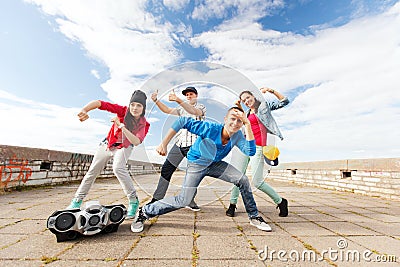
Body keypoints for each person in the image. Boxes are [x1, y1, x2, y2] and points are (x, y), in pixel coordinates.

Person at [131, 107, 272, 233]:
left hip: (215, 164)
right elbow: (182, 121)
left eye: (239, 121)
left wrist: (248, 124)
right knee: (184, 200)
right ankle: (144, 212)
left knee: (242, 179)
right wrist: (164, 144)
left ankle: (254, 216)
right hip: (196, 164)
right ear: (225, 119)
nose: (235, 123)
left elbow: (250, 151)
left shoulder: (238, 135)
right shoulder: (210, 128)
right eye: (233, 119)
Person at [67, 90, 150, 220]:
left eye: (139, 105)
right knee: (92, 171)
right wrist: (85, 110)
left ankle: (133, 201)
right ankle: (77, 201)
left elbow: (136, 141)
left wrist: (121, 126)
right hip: (108, 144)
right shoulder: (123, 111)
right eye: (133, 104)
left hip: (125, 146)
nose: (135, 108)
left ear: (143, 108)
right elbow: (100, 103)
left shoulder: (144, 123)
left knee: (118, 168)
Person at [226, 87, 290, 218]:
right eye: (244, 100)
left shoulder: (264, 107)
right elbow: (245, 121)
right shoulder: (248, 113)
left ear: (253, 96)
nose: (247, 101)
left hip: (259, 147)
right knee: (238, 176)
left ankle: (281, 201)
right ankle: (232, 204)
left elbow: (285, 101)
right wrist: (238, 106)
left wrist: (271, 91)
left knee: (257, 181)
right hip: (245, 146)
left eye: (248, 98)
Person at [148, 86, 206, 211]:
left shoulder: (201, 107)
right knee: (166, 170)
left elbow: (194, 112)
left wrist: (178, 100)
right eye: (187, 95)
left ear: (196, 95)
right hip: (179, 144)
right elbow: (167, 110)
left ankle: (190, 200)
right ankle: (157, 199)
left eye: (191, 94)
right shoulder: (181, 109)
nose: (189, 96)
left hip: (194, 145)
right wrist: (156, 100)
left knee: (192, 175)